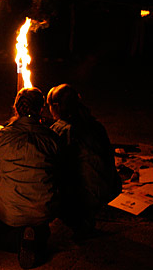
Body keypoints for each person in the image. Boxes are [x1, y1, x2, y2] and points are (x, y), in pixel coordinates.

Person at [0, 87, 61, 269]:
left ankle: (16, 241)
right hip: (42, 210)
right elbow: (59, 176)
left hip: (9, 211)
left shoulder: (0, 137)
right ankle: (34, 239)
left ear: (16, 109)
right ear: (41, 109)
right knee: (39, 222)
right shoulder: (52, 139)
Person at [47, 83, 122, 240]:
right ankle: (85, 215)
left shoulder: (61, 130)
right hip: (109, 188)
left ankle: (77, 220)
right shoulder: (95, 125)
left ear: (56, 106)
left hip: (86, 193)